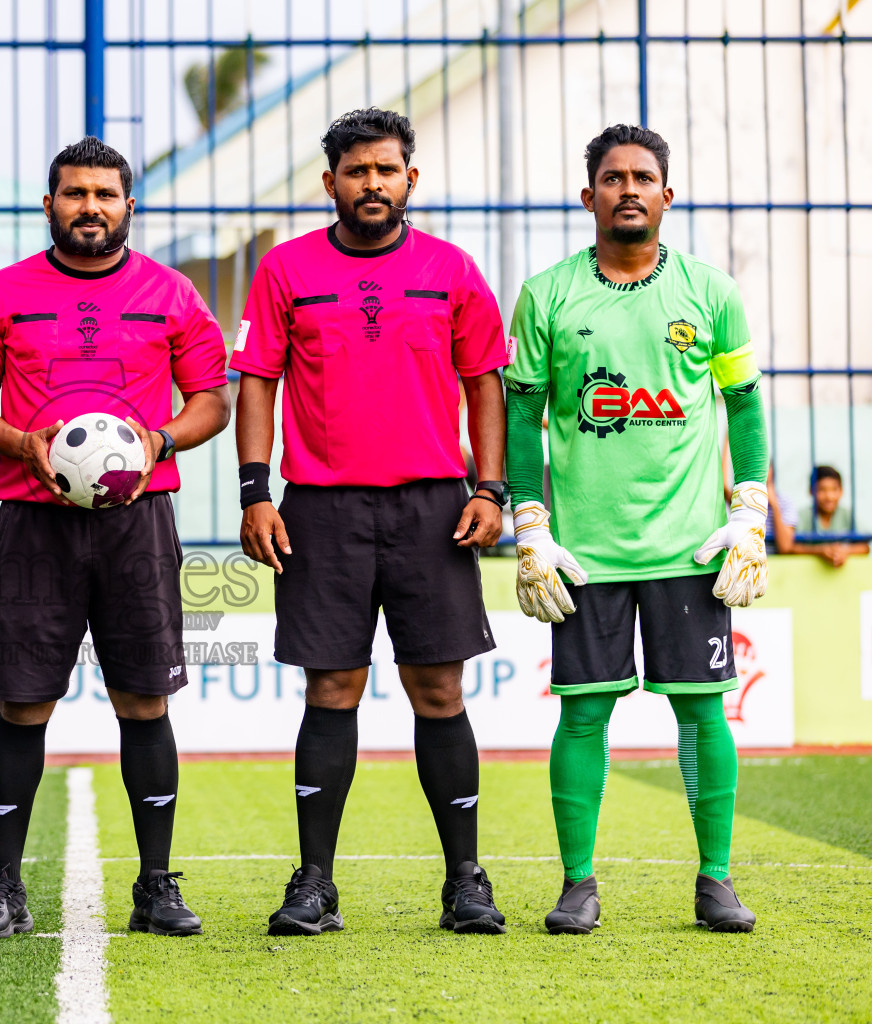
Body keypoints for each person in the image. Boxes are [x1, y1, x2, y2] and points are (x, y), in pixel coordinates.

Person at [233, 107, 510, 937]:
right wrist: (255, 491)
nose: (373, 183)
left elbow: (485, 382)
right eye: (357, 171)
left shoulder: (453, 271)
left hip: (433, 507)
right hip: (322, 508)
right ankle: (315, 883)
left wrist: (488, 489)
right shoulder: (285, 270)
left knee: (439, 688)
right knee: (332, 687)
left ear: (410, 179)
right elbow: (256, 382)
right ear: (331, 184)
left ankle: (465, 880)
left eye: (386, 170)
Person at [0, 137, 230, 938]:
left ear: (128, 207)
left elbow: (210, 399)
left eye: (105, 195)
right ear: (49, 205)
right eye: (74, 194)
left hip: (137, 525)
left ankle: (156, 884)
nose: (90, 208)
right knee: (23, 702)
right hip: (36, 521)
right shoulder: (5, 293)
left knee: (144, 700)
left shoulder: (172, 293)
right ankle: (3, 884)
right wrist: (22, 443)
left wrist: (160, 441)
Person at [506, 125, 767, 935]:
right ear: (589, 197)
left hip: (691, 550)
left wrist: (749, 509)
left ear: (667, 194)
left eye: (643, 178)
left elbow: (746, 403)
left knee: (703, 712)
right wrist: (528, 520)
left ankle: (715, 881)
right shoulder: (547, 294)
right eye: (612, 178)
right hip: (585, 556)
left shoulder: (710, 292)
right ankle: (578, 884)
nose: (628, 189)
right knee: (583, 714)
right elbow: (523, 413)